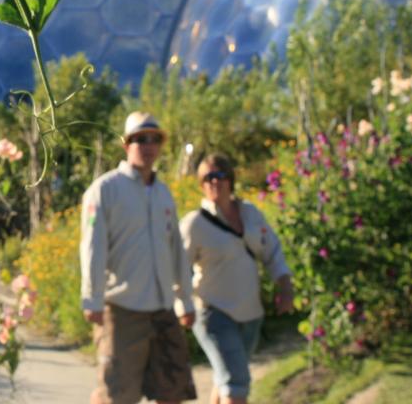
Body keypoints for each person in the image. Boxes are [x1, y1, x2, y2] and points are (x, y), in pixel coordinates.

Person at [80, 111, 197, 404]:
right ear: (126, 144)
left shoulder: (163, 193)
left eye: (154, 139)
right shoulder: (105, 190)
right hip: (123, 309)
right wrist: (92, 299)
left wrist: (185, 299)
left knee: (172, 391)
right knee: (117, 395)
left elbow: (176, 251)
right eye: (140, 138)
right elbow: (93, 248)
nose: (148, 145)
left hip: (163, 308)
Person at [179, 154, 294, 404]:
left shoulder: (251, 214)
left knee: (226, 380)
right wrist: (182, 306)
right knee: (236, 382)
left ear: (230, 179)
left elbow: (272, 251)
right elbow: (177, 268)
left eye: (218, 175)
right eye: (206, 178)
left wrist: (285, 285)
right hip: (213, 313)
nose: (213, 182)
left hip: (250, 313)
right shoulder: (194, 224)